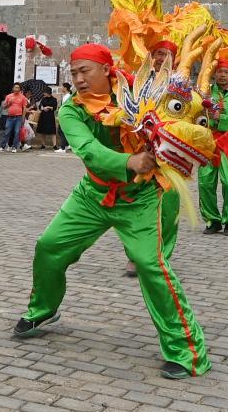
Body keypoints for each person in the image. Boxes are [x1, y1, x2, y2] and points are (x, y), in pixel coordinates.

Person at [12, 44, 210, 380]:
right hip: (93, 194)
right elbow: (88, 150)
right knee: (49, 246)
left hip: (141, 197)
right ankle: (43, 309)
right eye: (73, 73)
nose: (78, 79)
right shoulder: (71, 110)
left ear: (107, 70)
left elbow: (180, 115)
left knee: (151, 264)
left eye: (84, 71)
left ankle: (186, 351)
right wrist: (128, 161)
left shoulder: (140, 93)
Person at [198, 59, 228, 236]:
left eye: (226, 72)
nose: (222, 75)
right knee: (205, 182)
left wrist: (220, 118)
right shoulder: (205, 91)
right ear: (214, 74)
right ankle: (212, 220)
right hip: (208, 140)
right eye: (219, 72)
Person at [1, 83, 29, 152]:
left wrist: (23, 117)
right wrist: (9, 104)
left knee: (17, 132)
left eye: (18, 88)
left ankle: (14, 147)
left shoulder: (23, 97)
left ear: (20, 89)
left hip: (18, 117)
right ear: (13, 88)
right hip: (10, 117)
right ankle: (2, 147)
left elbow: (24, 108)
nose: (16, 89)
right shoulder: (9, 96)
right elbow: (4, 107)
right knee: (7, 132)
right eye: (15, 87)